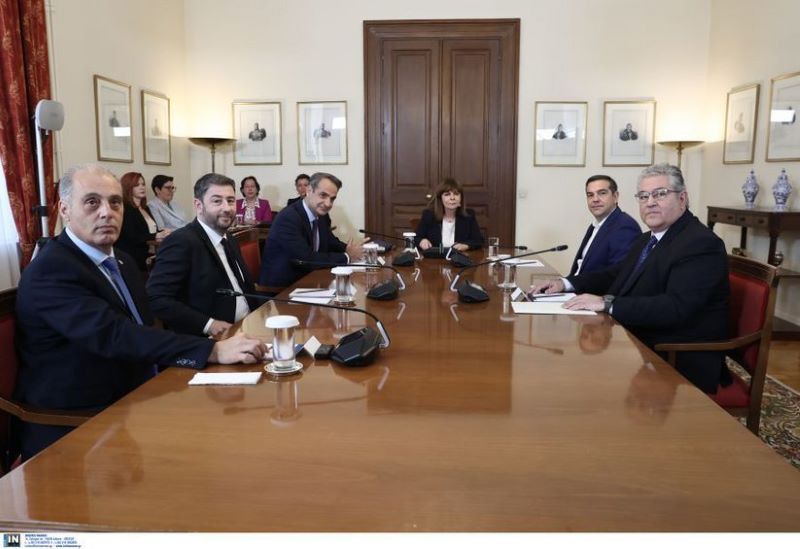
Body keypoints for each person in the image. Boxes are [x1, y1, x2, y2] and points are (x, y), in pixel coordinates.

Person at [14, 164, 266, 459]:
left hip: (142, 390)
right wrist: (212, 350)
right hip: (79, 419)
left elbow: (144, 329)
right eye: (92, 202)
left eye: (115, 202)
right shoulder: (51, 270)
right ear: (65, 210)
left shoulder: (121, 261)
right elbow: (115, 335)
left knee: (244, 426)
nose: (107, 212)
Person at [531, 163, 730, 394]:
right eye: (643, 196)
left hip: (675, 357)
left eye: (660, 194)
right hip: (638, 340)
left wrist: (607, 303)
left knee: (578, 382)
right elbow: (616, 274)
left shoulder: (699, 243)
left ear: (682, 198)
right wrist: (565, 284)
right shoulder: (647, 239)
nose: (650, 202)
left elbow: (676, 307)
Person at [147, 173, 260, 338]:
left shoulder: (229, 239)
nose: (227, 208)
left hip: (248, 327)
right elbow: (157, 298)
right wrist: (209, 325)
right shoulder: (181, 242)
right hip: (210, 339)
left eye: (230, 200)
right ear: (198, 205)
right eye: (217, 201)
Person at [259, 172, 366, 288]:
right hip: (282, 288)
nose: (328, 204)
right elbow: (306, 259)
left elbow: (331, 242)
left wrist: (351, 249)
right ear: (309, 190)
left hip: (309, 280)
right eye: (323, 195)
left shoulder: (320, 214)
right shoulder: (289, 217)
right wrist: (347, 256)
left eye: (332, 199)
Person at [569, 175, 641, 276]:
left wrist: (567, 283)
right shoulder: (595, 226)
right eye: (590, 195)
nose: (595, 199)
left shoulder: (625, 227)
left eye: (602, 193)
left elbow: (616, 275)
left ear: (615, 197)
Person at [116, 172, 170, 273]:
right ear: (128, 187)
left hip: (149, 254)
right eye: (137, 185)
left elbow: (149, 231)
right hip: (133, 257)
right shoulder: (125, 209)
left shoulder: (145, 208)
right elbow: (132, 236)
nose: (142, 187)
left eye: (143, 184)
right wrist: (156, 236)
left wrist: (163, 233)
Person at [414, 178, 484, 251]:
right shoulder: (429, 215)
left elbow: (478, 240)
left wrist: (466, 246)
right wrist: (422, 241)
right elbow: (416, 238)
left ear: (461, 198)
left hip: (459, 257)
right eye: (447, 194)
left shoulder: (469, 215)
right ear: (440, 198)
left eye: (456, 194)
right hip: (435, 257)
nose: (452, 198)